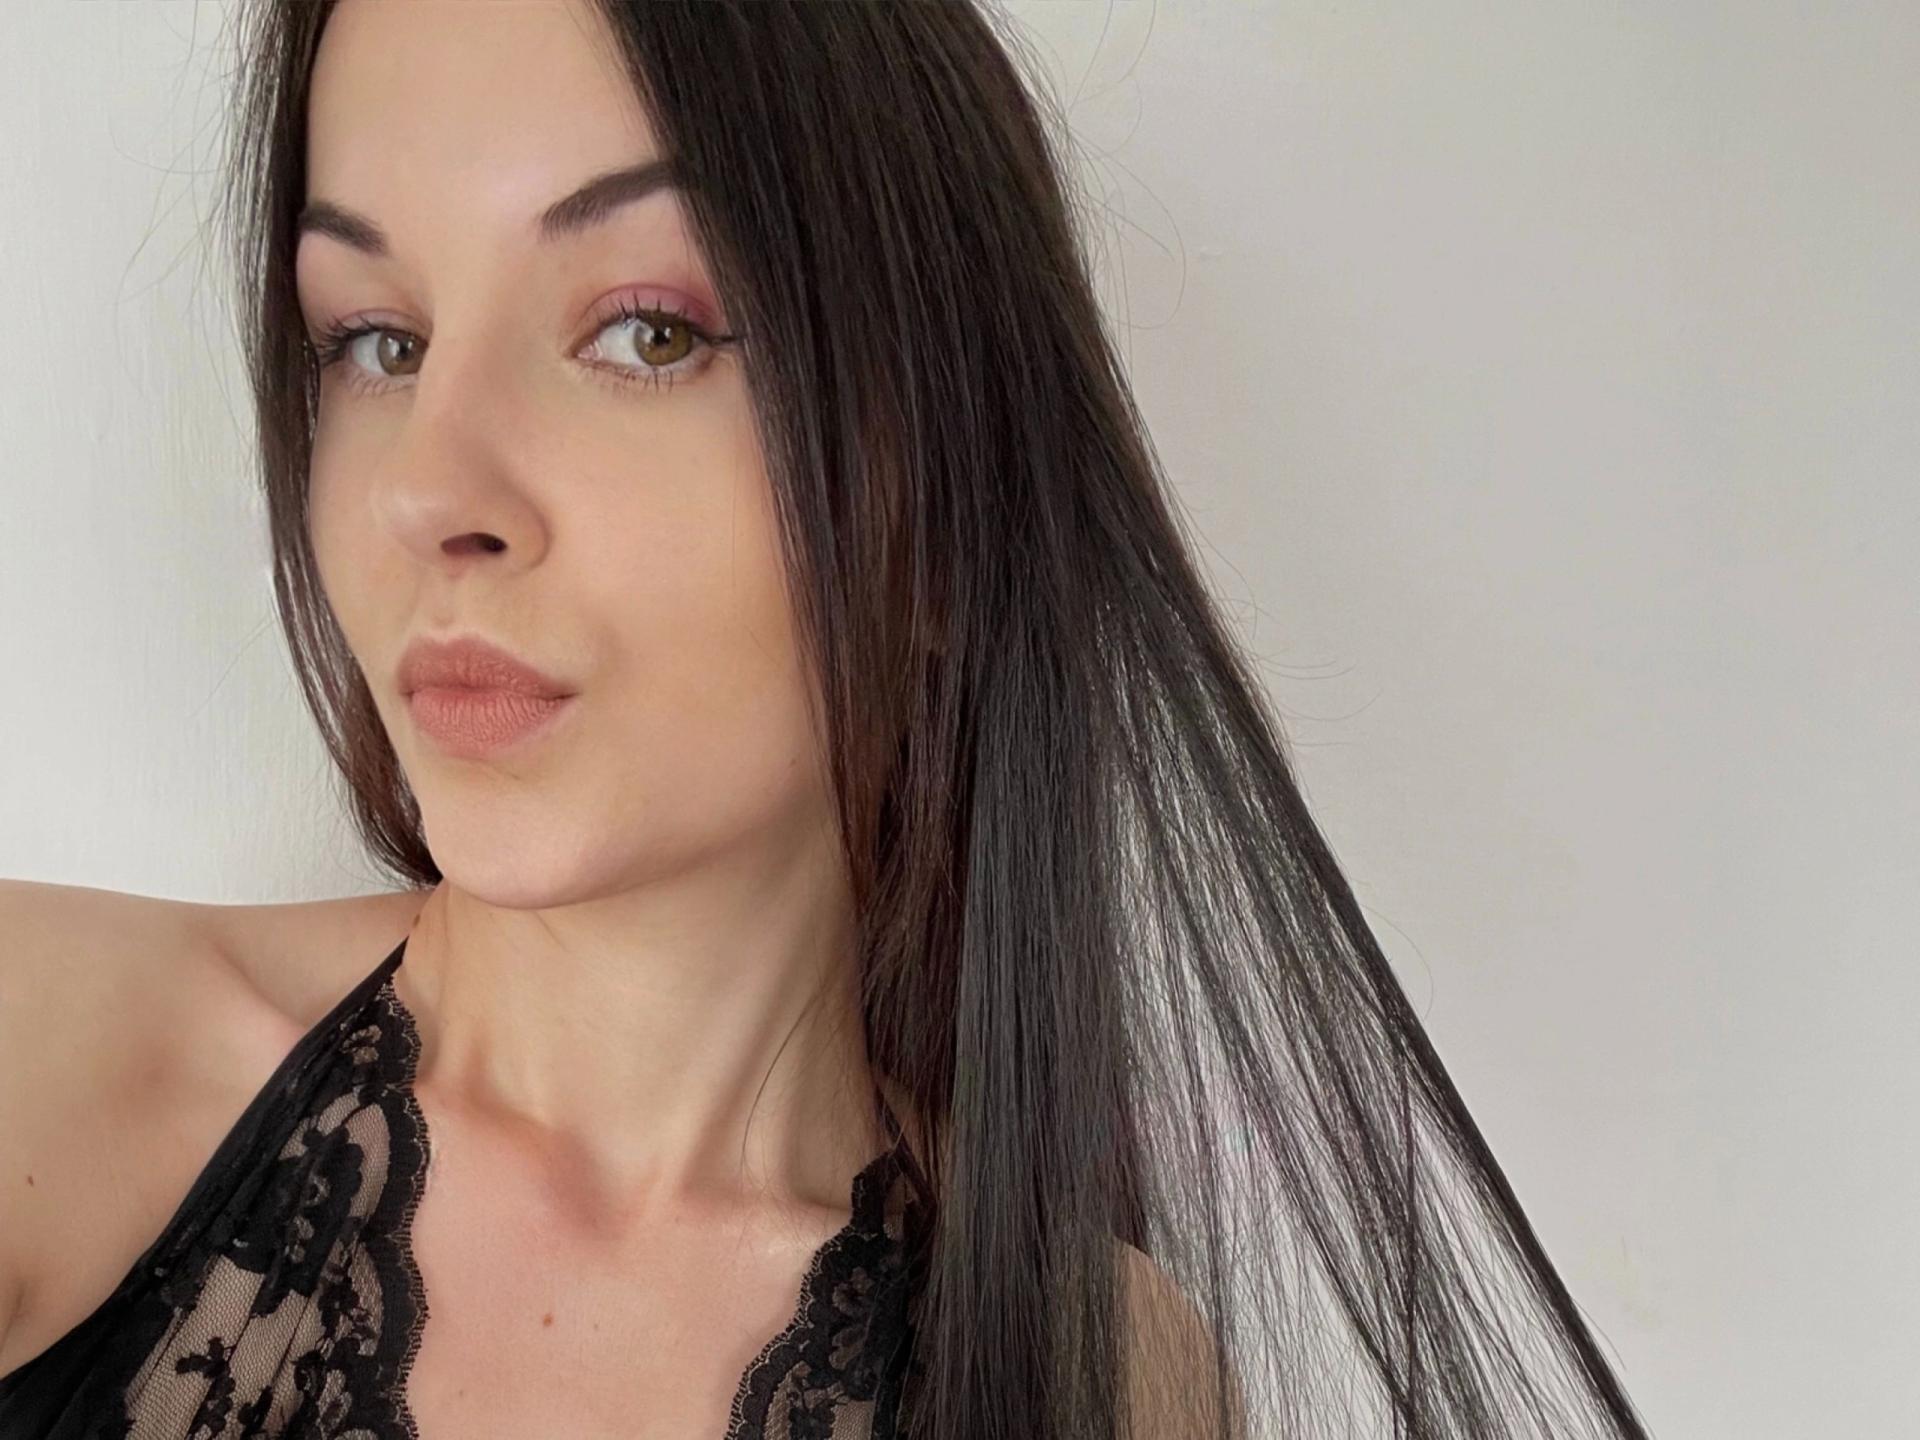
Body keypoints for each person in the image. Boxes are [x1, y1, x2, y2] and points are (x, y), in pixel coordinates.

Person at [0, 2, 1652, 1438]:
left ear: (935, 498)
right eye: (376, 340)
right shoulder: (39, 1054)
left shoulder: (1096, 1364)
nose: (431, 491)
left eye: (645, 331)